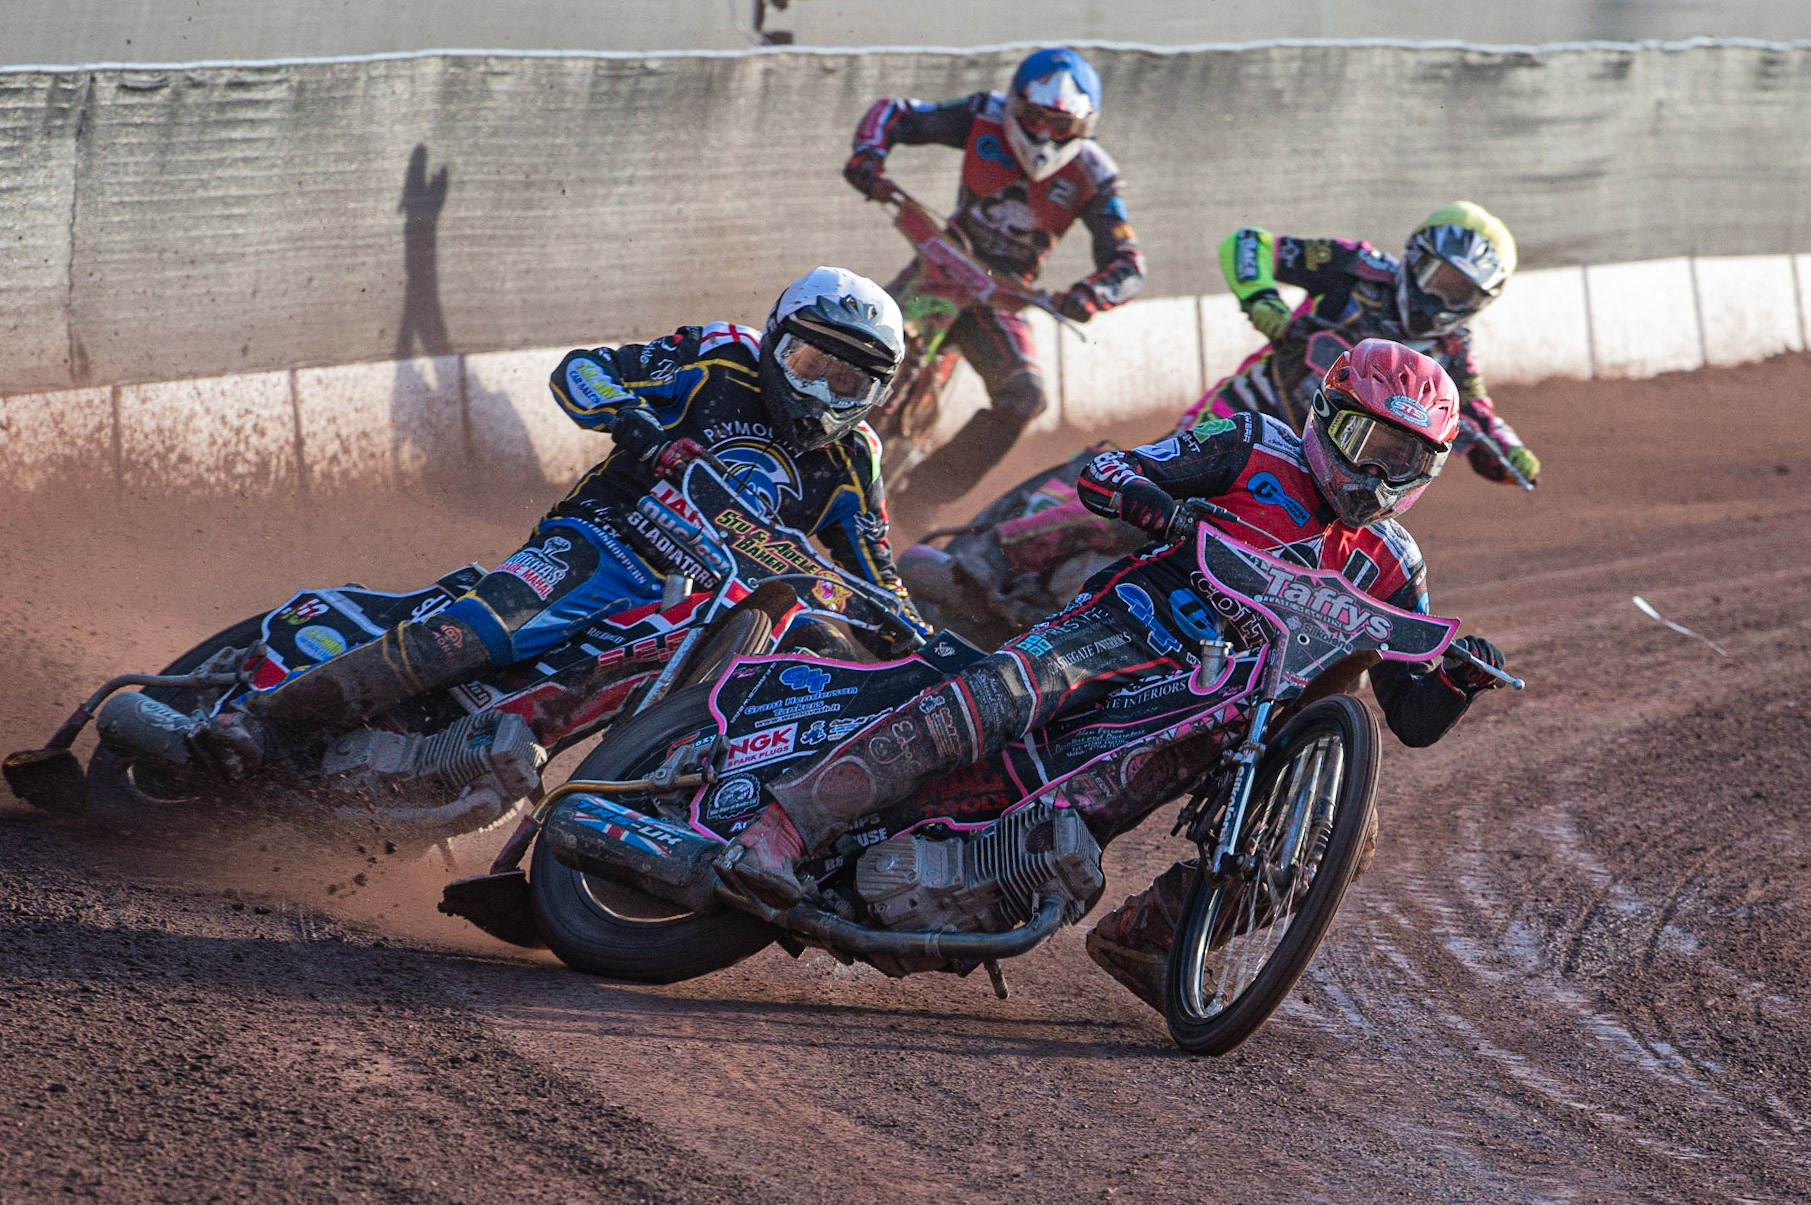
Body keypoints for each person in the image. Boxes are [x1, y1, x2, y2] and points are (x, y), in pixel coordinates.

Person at [716, 339, 1512, 1010]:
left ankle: (1150, 940)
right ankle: (780, 829)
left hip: (1228, 709)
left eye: (1403, 459)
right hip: (1129, 623)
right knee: (997, 696)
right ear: (1328, 420)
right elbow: (1110, 472)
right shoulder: (1252, 444)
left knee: (1336, 826)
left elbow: (1407, 717)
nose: (1377, 473)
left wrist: (1457, 679)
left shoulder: (1394, 563)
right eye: (1368, 444)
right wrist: (1169, 512)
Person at [193, 267, 924, 775]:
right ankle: (260, 721)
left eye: (845, 379)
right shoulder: (719, 359)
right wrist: (642, 428)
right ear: (773, 338)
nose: (820, 388)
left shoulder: (854, 460)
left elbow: (875, 574)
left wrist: (918, 642)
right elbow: (584, 370)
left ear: (874, 390)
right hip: (603, 539)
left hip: (696, 609)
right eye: (806, 359)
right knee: (472, 634)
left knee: (667, 710)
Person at [845, 47, 1147, 523]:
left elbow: (1129, 263)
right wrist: (868, 155)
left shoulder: (1095, 175)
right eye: (1035, 118)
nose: (1045, 136)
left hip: (1002, 296)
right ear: (1014, 106)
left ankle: (922, 499)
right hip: (938, 270)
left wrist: (1088, 295)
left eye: (1061, 126)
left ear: (1084, 128)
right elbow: (896, 112)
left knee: (1026, 396)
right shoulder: (982, 115)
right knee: (863, 343)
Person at [1183, 202, 1541, 487]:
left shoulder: (1453, 350)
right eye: (1438, 278)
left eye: (1459, 292)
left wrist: (1510, 452)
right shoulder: (1357, 267)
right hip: (1243, 411)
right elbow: (1247, 243)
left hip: (1315, 467)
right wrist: (1262, 300)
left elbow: (1477, 414)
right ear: (1415, 257)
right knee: (1150, 486)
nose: (1438, 299)